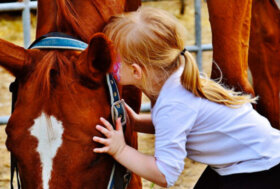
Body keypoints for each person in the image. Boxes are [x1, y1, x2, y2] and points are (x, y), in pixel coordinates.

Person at [92, 6, 280, 188]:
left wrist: (120, 150)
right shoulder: (177, 79)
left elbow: (165, 174)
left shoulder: (173, 103)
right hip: (251, 160)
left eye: (111, 59)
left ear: (135, 71)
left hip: (261, 170)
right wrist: (137, 121)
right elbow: (180, 124)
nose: (107, 64)